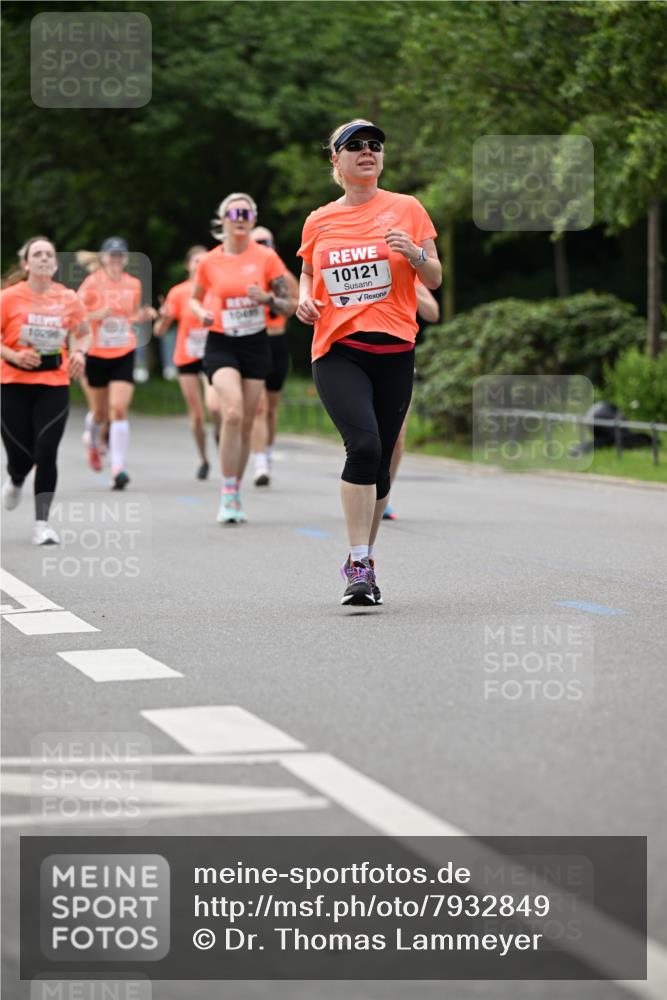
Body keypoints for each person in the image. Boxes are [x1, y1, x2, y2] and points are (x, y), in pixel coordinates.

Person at [297, 119, 441, 606]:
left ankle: (366, 558)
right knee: (362, 445)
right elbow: (308, 270)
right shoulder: (319, 220)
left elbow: (436, 277)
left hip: (395, 350)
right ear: (335, 161)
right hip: (338, 349)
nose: (367, 151)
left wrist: (417, 253)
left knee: (379, 465)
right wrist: (303, 299)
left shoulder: (407, 208)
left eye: (374, 145)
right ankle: (358, 563)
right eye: (354, 146)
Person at [190, 194, 292, 524]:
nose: (240, 217)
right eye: (233, 212)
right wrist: (201, 312)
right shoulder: (209, 261)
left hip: (255, 343)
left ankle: (234, 490)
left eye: (246, 212)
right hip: (220, 343)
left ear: (252, 218)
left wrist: (266, 298)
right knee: (232, 410)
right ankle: (227, 492)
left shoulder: (266, 258)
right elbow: (194, 299)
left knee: (247, 422)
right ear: (223, 219)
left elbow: (288, 304)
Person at [1, 235, 89, 544]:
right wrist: (12, 355)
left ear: (54, 263)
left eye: (48, 255)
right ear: (26, 263)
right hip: (12, 383)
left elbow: (83, 332)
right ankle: (15, 478)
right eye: (36, 254)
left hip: (53, 381)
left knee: (47, 451)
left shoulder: (68, 298)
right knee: (21, 456)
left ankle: (42, 524)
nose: (43, 259)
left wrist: (79, 353)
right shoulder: (8, 297)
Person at [77, 237, 156, 490]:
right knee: (100, 413)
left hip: (123, 350)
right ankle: (92, 441)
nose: (116, 260)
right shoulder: (91, 283)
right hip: (97, 353)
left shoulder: (133, 284)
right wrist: (97, 315)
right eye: (112, 256)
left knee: (118, 409)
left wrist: (142, 315)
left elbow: (129, 315)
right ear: (103, 258)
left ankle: (118, 468)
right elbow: (75, 315)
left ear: (125, 259)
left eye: (120, 256)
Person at [153, 245, 221, 479]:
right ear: (188, 265)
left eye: (204, 260)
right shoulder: (179, 293)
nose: (200, 264)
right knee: (198, 413)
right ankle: (203, 459)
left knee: (214, 406)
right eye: (196, 261)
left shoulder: (216, 289)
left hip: (213, 354)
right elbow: (160, 331)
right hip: (187, 357)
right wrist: (163, 317)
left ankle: (221, 437)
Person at [383, 280, 440, 519]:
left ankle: (382, 495)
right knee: (367, 437)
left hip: (398, 360)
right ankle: (362, 486)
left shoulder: (406, 271)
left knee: (396, 438)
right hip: (358, 360)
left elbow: (433, 313)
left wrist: (409, 285)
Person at [248, 226, 299, 486]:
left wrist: (271, 299)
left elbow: (298, 304)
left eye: (266, 242)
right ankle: (258, 462)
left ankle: (266, 452)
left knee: (271, 406)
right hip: (252, 340)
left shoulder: (283, 276)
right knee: (259, 406)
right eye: (258, 242)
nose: (263, 247)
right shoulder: (244, 272)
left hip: (277, 341)